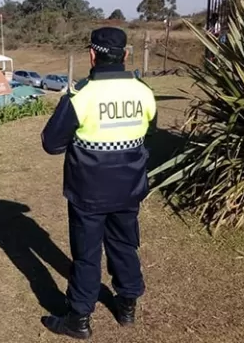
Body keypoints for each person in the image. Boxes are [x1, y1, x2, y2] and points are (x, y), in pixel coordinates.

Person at [40, 27, 157, 340]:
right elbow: (148, 135)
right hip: (129, 188)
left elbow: (51, 143)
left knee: (87, 254)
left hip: (88, 192)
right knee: (124, 245)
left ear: (92, 54)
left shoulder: (82, 95)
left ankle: (78, 319)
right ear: (126, 55)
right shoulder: (144, 92)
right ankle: (127, 306)